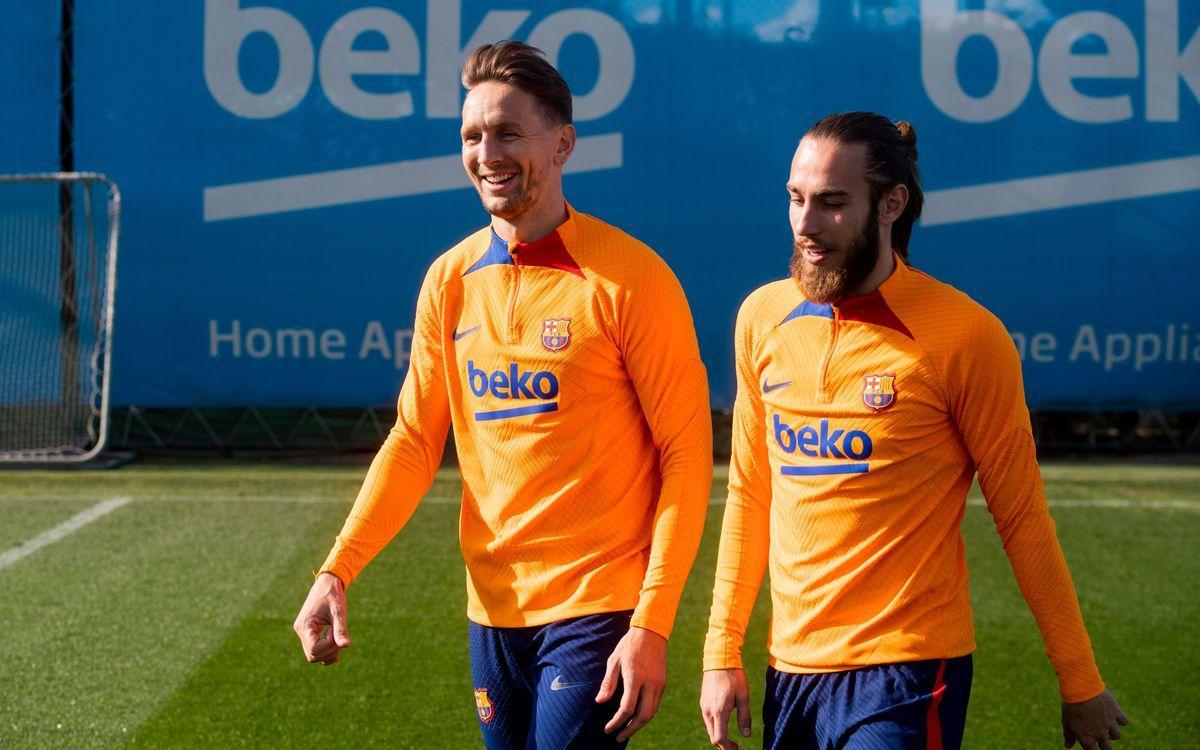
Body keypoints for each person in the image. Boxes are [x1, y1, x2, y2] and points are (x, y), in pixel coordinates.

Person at [291, 40, 711, 749]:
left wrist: (652, 623)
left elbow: (686, 455)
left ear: (563, 145)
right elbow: (415, 439)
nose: (487, 151)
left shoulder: (631, 279)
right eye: (472, 135)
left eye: (509, 132)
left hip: (596, 608)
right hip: (491, 612)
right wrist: (338, 569)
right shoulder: (449, 281)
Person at [698, 111, 1128, 750]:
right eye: (796, 199)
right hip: (790, 669)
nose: (806, 225)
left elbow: (1023, 518)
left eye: (833, 203)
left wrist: (1079, 678)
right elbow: (750, 496)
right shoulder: (761, 316)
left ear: (892, 203)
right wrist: (719, 650)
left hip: (910, 670)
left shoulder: (966, 336)